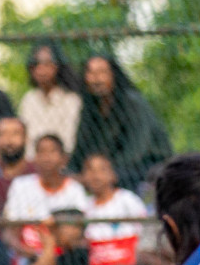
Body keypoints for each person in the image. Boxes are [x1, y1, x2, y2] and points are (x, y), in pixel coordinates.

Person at [70, 55, 171, 191]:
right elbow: (81, 148)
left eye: (102, 72)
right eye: (91, 73)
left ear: (114, 75)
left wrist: (103, 171)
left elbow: (136, 150)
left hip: (145, 164)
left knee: (121, 176)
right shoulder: (90, 108)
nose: (96, 79)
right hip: (106, 168)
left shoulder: (132, 103)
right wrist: (76, 171)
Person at [2, 134, 89, 256]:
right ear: (35, 158)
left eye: (52, 151)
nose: (47, 157)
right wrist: (28, 252)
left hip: (64, 254)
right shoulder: (20, 185)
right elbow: (10, 230)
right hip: (27, 252)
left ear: (64, 158)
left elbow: (76, 232)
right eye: (41, 151)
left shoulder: (75, 189)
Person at [82, 152, 149, 265]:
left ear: (113, 175)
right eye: (90, 170)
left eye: (102, 169)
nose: (95, 175)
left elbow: (144, 233)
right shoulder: (84, 206)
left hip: (128, 262)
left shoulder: (127, 200)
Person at [17, 42, 82, 158]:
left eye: (47, 64)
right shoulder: (29, 99)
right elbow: (25, 139)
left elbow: (69, 141)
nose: (41, 69)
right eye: (36, 64)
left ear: (58, 66)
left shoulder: (71, 100)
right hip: (32, 161)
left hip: (62, 161)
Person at [0, 116, 33, 216]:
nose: (9, 141)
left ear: (26, 138)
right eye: (3, 134)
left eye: (15, 134)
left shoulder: (36, 174)